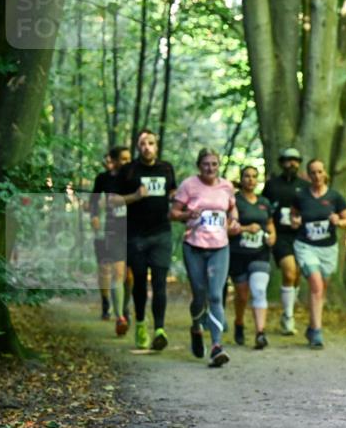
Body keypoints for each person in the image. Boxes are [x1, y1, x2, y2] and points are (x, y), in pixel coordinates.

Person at [170, 148, 239, 367]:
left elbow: (232, 209)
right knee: (199, 295)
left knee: (216, 296)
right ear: (199, 166)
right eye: (206, 164)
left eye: (214, 164)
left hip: (220, 247)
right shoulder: (188, 185)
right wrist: (187, 214)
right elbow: (173, 213)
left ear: (219, 165)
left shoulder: (226, 186)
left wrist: (234, 222)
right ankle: (196, 327)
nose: (210, 168)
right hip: (194, 247)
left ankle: (217, 346)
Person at [116, 129, 176, 350]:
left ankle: (159, 329)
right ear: (137, 147)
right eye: (143, 144)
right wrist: (135, 196)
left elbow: (173, 193)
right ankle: (141, 323)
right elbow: (113, 201)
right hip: (136, 235)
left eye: (151, 143)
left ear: (156, 146)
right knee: (139, 282)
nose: (147, 147)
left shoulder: (166, 168)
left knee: (159, 282)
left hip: (161, 233)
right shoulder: (129, 171)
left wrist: (177, 199)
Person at [290, 158, 346, 349]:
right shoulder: (301, 196)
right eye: (313, 172)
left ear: (325, 173)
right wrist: (295, 221)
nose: (316, 176)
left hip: (328, 249)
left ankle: (311, 326)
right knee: (316, 285)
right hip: (306, 246)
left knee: (321, 289)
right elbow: (293, 214)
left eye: (319, 172)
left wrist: (338, 221)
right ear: (308, 175)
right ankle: (317, 331)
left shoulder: (335, 197)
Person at [261, 148, 310, 336]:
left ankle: (288, 312)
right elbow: (264, 207)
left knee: (296, 274)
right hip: (280, 235)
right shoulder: (272, 185)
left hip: (301, 236)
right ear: (282, 163)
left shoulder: (305, 186)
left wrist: (302, 219)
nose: (292, 164)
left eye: (295, 160)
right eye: (288, 160)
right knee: (289, 272)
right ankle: (289, 317)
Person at [228, 166, 276, 349]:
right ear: (241, 179)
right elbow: (227, 227)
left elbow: (270, 224)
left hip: (260, 253)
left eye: (254, 176)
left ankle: (260, 333)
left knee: (259, 290)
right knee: (242, 295)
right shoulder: (234, 201)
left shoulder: (264, 202)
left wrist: (272, 236)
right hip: (238, 254)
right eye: (247, 176)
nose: (250, 180)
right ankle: (239, 322)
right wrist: (246, 229)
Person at [89, 145, 131, 334]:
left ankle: (123, 306)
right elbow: (93, 200)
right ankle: (110, 306)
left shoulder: (134, 177)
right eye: (123, 159)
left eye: (129, 159)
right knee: (109, 271)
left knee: (128, 275)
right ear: (113, 161)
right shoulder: (103, 179)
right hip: (110, 229)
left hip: (132, 230)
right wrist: (94, 216)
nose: (127, 163)